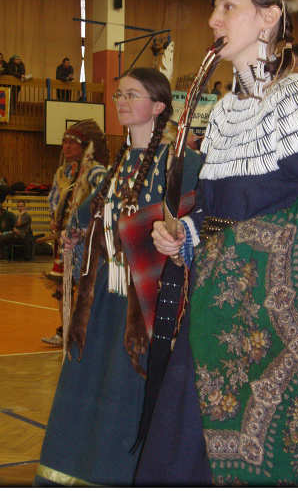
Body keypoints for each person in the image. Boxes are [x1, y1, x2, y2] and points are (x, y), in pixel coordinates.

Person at [139, 0, 298, 486]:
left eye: (227, 7)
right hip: (216, 321)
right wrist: (187, 235)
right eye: (214, 8)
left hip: (274, 331)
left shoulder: (297, 99)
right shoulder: (223, 113)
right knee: (184, 455)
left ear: (268, 18)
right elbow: (219, 215)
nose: (212, 19)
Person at [34, 68, 202, 486]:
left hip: (146, 308)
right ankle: (81, 472)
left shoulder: (179, 164)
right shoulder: (117, 168)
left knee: (131, 397)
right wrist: (78, 237)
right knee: (91, 392)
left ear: (159, 106)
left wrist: (179, 236)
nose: (122, 101)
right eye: (118, 95)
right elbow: (90, 219)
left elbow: (202, 223)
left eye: (133, 94)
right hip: (104, 308)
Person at [41, 119, 108, 347]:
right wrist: (55, 221)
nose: (66, 147)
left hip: (85, 240)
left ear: (84, 146)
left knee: (86, 285)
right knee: (62, 286)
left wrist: (86, 225)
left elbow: (104, 197)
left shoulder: (95, 171)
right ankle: (65, 330)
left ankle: (86, 331)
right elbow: (54, 200)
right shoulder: (63, 172)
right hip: (64, 240)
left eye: (72, 143)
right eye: (64, 142)